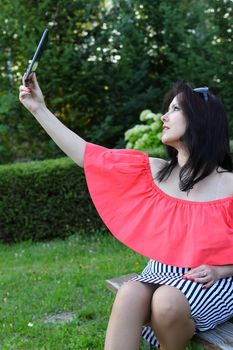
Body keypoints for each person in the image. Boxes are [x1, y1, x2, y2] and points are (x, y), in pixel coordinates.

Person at [19, 74, 233, 350]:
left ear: (202, 119)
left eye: (175, 109)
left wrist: (222, 270)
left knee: (166, 301)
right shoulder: (153, 172)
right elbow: (88, 156)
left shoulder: (229, 184)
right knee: (130, 292)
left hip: (214, 279)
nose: (164, 117)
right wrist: (39, 108)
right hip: (162, 271)